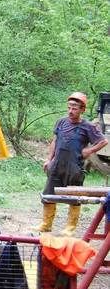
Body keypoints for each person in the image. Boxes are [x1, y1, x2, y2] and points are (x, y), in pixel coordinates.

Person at [35, 92, 108, 236]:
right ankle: (46, 224)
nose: (70, 111)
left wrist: (89, 151)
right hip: (57, 165)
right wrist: (49, 159)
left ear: (82, 109)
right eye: (69, 107)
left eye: (74, 108)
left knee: (74, 197)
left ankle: (70, 228)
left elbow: (103, 141)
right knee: (49, 194)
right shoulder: (61, 122)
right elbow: (55, 141)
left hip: (75, 167)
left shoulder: (88, 126)